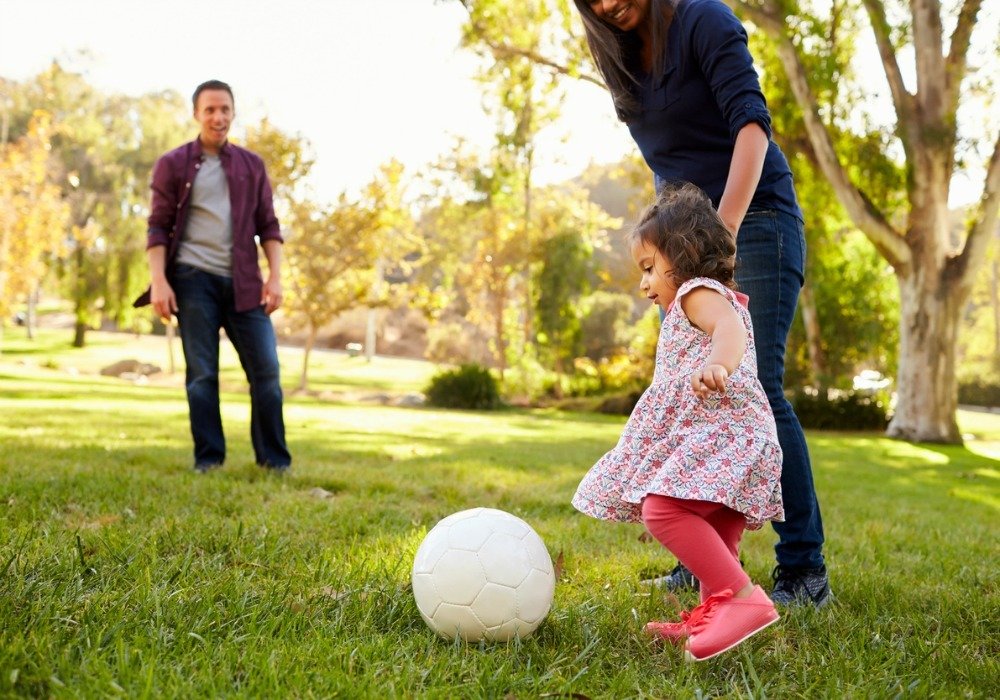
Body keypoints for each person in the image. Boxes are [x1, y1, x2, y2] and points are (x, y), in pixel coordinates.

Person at [573, 0, 830, 606]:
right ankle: (704, 562)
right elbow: (670, 166)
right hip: (686, 246)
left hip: (756, 220)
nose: (609, 3)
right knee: (693, 394)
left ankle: (803, 572)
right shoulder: (619, 56)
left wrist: (721, 237)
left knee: (755, 384)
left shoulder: (704, 20)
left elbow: (751, 127)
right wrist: (668, 250)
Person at [573, 183, 783, 661]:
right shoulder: (698, 298)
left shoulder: (697, 292)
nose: (645, 284)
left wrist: (720, 366)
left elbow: (727, 331)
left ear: (683, 255)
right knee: (721, 525)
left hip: (724, 432)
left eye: (649, 268)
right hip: (736, 433)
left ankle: (746, 601)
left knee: (662, 509)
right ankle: (718, 609)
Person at [134, 79, 291, 474]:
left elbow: (269, 226)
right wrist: (160, 281)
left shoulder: (252, 166)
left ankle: (274, 461)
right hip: (192, 279)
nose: (218, 117)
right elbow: (157, 227)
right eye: (210, 110)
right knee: (202, 373)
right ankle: (209, 459)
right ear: (196, 114)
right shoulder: (173, 164)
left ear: (233, 113)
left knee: (267, 372)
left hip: (244, 282)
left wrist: (275, 278)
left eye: (224, 109)